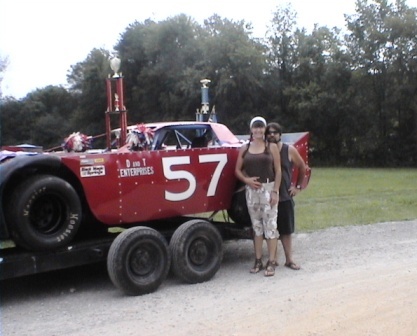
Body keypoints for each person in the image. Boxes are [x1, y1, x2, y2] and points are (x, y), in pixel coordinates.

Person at [235, 116, 282, 276]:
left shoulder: (271, 147)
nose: (258, 130)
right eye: (255, 127)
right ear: (251, 130)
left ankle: (272, 261)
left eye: (261, 127)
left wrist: (275, 191)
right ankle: (258, 260)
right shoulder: (245, 147)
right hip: (252, 192)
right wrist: (246, 180)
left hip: (268, 188)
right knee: (257, 227)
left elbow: (278, 170)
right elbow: (237, 170)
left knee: (270, 226)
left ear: (264, 129)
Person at [266, 122, 306, 270]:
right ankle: (273, 259)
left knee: (286, 230)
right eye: (269, 132)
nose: (272, 135)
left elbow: (302, 167)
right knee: (270, 230)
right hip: (269, 197)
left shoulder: (289, 150)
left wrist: (298, 186)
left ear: (280, 134)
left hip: (284, 196)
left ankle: (289, 259)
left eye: (275, 132)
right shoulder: (264, 150)